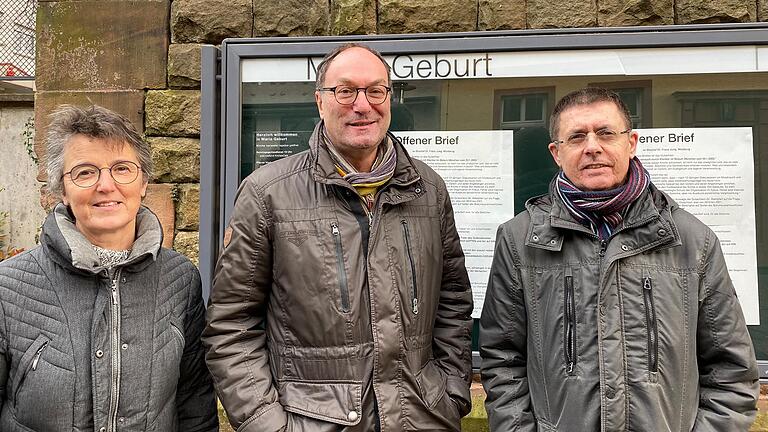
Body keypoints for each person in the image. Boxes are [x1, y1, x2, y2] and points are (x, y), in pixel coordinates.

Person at [203, 43, 473, 432]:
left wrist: (450, 392)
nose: (362, 105)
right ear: (320, 101)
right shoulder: (268, 194)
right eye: (345, 91)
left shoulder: (427, 189)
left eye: (375, 90)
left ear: (389, 98)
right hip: (310, 421)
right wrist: (267, 423)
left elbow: (452, 302)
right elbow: (231, 324)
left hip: (421, 418)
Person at [480, 87, 760, 431]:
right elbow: (502, 360)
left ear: (631, 142)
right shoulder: (520, 240)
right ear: (557, 152)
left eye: (606, 133)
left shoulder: (691, 239)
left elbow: (731, 370)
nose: (592, 146)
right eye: (577, 136)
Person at [0, 105, 218, 431]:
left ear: (143, 182)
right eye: (85, 172)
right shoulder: (9, 286)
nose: (106, 185)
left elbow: (194, 402)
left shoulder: (180, 279)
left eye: (122, 168)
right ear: (62, 189)